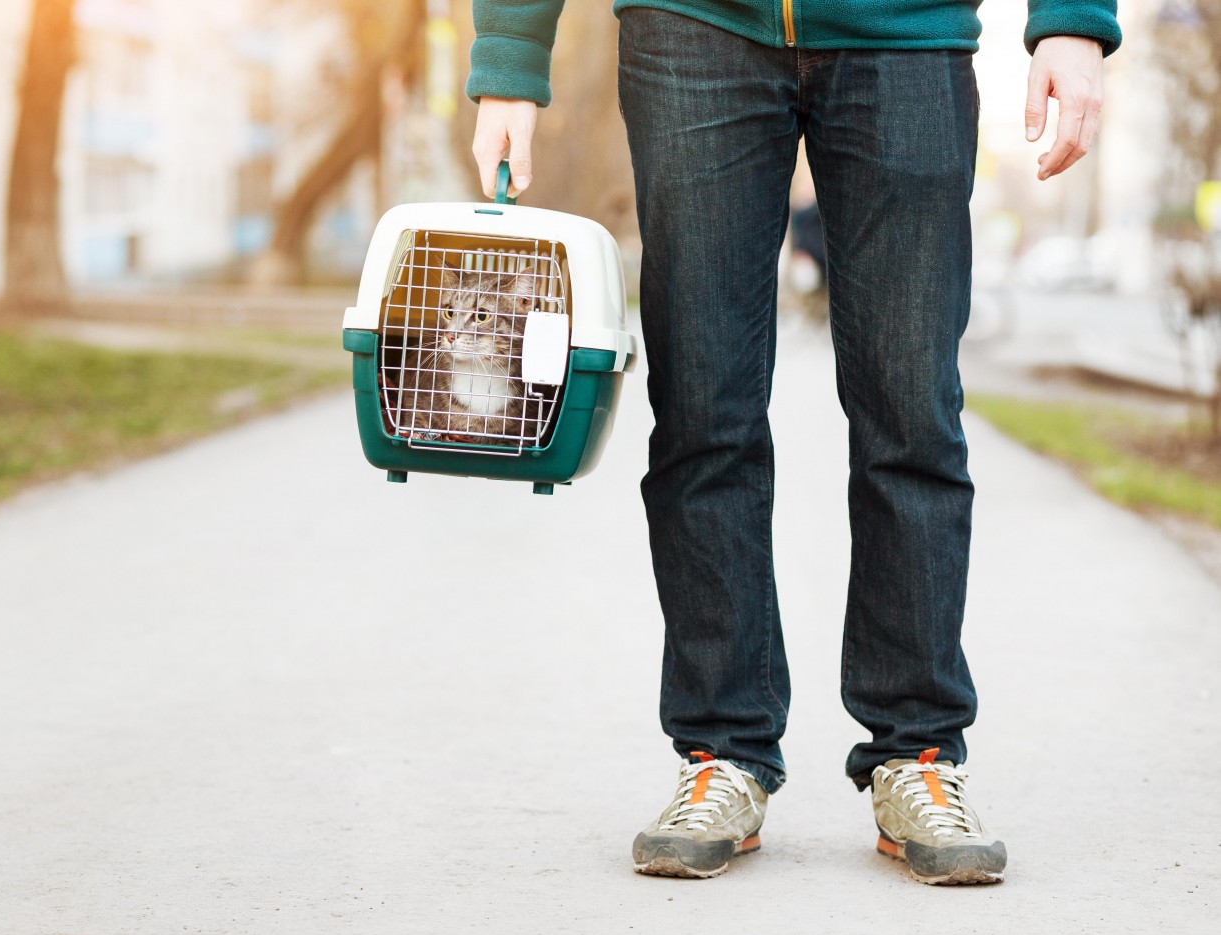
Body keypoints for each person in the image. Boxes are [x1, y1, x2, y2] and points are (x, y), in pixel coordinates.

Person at [465, 0, 1119, 884]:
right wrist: (510, 55)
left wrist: (1073, 21)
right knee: (702, 412)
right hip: (691, 26)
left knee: (911, 411)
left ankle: (918, 755)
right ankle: (722, 752)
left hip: (907, 31)